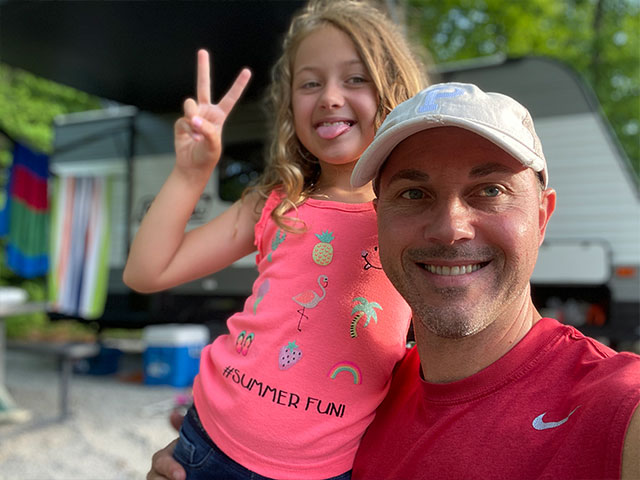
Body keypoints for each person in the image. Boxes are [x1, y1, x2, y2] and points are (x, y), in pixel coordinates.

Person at [124, 1, 428, 479]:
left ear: (395, 91)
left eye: (355, 78)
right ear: (290, 106)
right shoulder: (275, 202)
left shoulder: (413, 213)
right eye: (310, 83)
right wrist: (191, 173)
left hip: (328, 467)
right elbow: (146, 272)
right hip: (208, 442)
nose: (329, 97)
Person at [347, 82, 640, 479]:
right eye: (414, 194)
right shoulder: (355, 402)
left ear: (541, 216)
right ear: (379, 218)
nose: (451, 228)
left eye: (490, 190)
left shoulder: (621, 405)